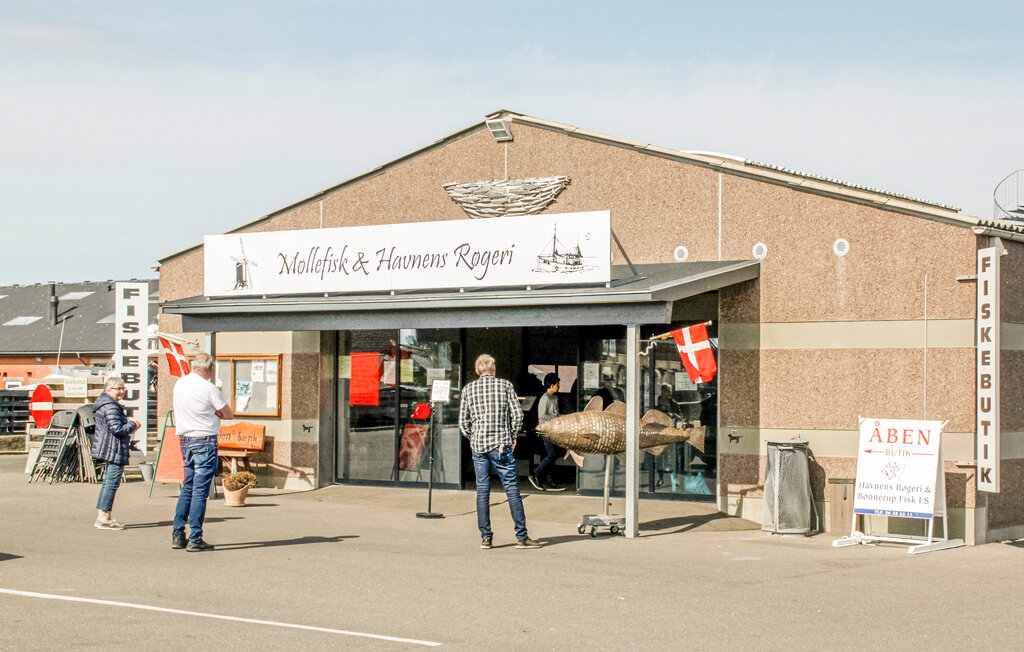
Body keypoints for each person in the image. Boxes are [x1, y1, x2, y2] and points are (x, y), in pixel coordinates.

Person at [459, 354, 541, 549]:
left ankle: (485, 538)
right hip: (501, 445)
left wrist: (474, 438)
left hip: (478, 447)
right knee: (512, 489)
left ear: (477, 371)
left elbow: (463, 422)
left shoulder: (468, 389)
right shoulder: (505, 386)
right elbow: (517, 415)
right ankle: (522, 537)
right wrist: (512, 437)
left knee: (482, 491)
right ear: (493, 369)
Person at [171, 352, 233, 552]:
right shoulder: (209, 388)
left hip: (185, 439)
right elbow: (228, 414)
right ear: (210, 368)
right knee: (200, 490)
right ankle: (195, 537)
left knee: (187, 487)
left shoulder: (180, 383)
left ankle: (178, 534)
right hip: (205, 440)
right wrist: (216, 412)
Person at [90, 377, 140, 530]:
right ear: (108, 389)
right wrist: (133, 425)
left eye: (122, 388)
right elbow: (117, 430)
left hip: (109, 447)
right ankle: (104, 517)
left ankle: (103, 515)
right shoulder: (111, 406)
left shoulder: (104, 403)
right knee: (111, 483)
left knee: (108, 483)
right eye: (118, 388)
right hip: (114, 448)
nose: (121, 391)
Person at [529, 372, 565, 492]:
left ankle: (550, 481)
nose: (559, 386)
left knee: (550, 455)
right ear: (552, 385)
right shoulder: (544, 398)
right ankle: (535, 474)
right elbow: (542, 416)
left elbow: (556, 413)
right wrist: (556, 418)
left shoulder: (555, 398)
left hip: (553, 430)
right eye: (557, 384)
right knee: (551, 454)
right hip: (545, 431)